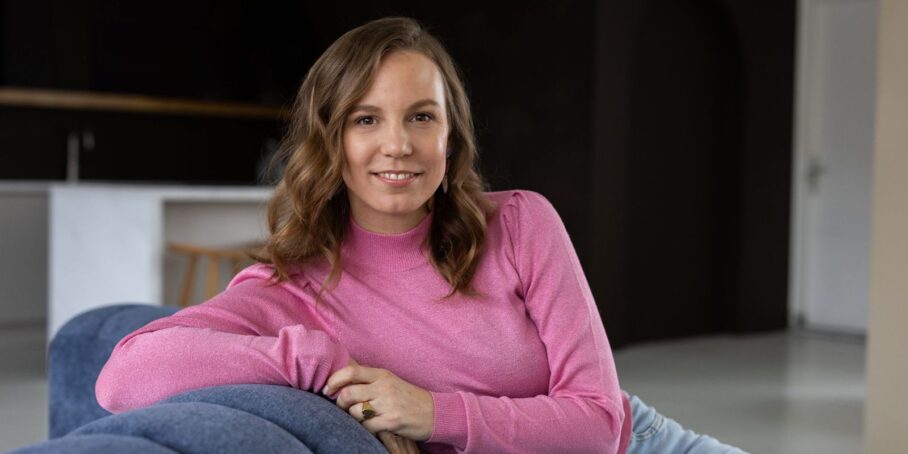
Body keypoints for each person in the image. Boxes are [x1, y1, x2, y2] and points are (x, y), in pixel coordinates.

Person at [95, 17, 746, 454]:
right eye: (366, 119)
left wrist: (431, 412)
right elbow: (122, 376)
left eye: (421, 116)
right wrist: (314, 360)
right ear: (331, 141)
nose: (398, 144)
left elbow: (600, 422)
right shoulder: (290, 287)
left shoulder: (522, 223)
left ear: (450, 136)